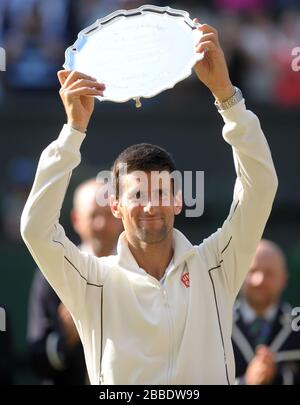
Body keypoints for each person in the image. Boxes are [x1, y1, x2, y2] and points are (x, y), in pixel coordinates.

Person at [20, 21, 278, 384]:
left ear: (177, 201)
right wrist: (72, 132)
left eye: (161, 193)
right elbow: (35, 230)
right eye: (137, 194)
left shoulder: (216, 265)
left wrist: (226, 96)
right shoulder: (92, 280)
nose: (150, 205)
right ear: (116, 207)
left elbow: (261, 187)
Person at [27, 179, 122, 384]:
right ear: (76, 219)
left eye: (108, 215)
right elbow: (38, 358)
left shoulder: (137, 271)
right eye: (93, 215)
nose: (101, 224)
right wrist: (67, 337)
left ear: (120, 214)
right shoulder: (51, 273)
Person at [233, 239, 300, 385]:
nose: (259, 280)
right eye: (252, 271)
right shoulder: (215, 325)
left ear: (284, 279)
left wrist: (276, 377)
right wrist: (246, 382)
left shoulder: (297, 326)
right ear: (239, 276)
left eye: (269, 273)